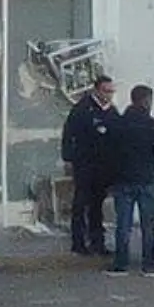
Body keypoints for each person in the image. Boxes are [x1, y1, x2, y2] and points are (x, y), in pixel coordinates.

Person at [106, 84, 154, 277]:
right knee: (148, 224)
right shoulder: (153, 125)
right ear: (146, 101)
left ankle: (121, 265)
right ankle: (149, 265)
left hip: (123, 180)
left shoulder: (119, 123)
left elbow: (109, 153)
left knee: (123, 224)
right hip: (147, 180)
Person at [59, 75, 118, 255]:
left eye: (111, 92)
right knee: (80, 203)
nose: (109, 96)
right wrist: (69, 159)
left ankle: (97, 242)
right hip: (84, 164)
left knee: (97, 205)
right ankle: (78, 243)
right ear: (96, 90)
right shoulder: (82, 109)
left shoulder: (112, 111)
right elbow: (68, 134)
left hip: (103, 167)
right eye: (106, 91)